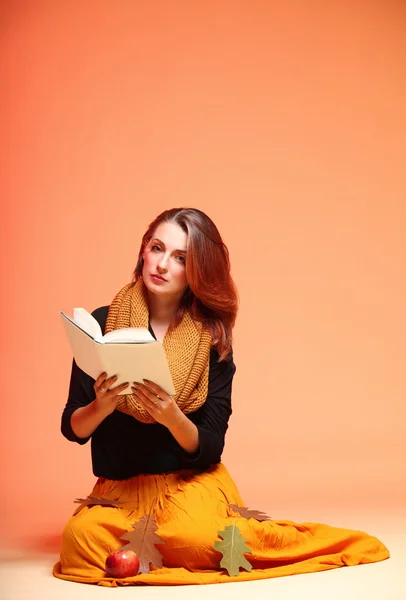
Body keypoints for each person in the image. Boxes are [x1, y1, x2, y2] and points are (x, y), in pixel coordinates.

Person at [53, 208, 389, 586]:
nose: (162, 264)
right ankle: (150, 552)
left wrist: (171, 417)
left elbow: (211, 445)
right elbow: (73, 428)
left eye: (180, 258)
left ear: (197, 272)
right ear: (143, 250)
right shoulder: (104, 323)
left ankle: (163, 550)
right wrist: (103, 406)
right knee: (79, 541)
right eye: (157, 248)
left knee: (196, 538)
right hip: (120, 493)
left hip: (187, 485)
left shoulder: (212, 340)